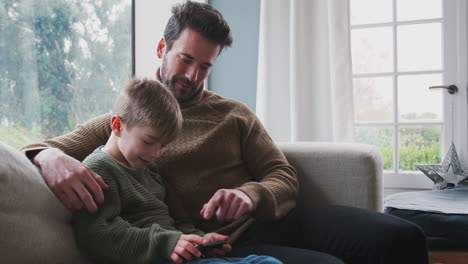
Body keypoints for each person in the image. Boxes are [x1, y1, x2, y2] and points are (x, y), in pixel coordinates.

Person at [22, 1, 428, 263]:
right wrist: (50, 156)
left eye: (205, 66)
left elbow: (283, 176)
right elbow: (37, 148)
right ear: (162, 50)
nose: (192, 76)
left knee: (402, 237)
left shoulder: (233, 114)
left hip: (276, 220)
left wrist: (248, 195)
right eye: (186, 60)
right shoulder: (128, 121)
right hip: (223, 243)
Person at [73, 78, 282, 264]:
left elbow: (179, 221)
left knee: (266, 261)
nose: (156, 153)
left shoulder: (150, 169)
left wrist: (200, 240)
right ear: (117, 125)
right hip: (151, 257)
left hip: (180, 255)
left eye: (164, 146)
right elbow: (95, 234)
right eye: (149, 142)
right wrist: (167, 243)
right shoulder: (99, 168)